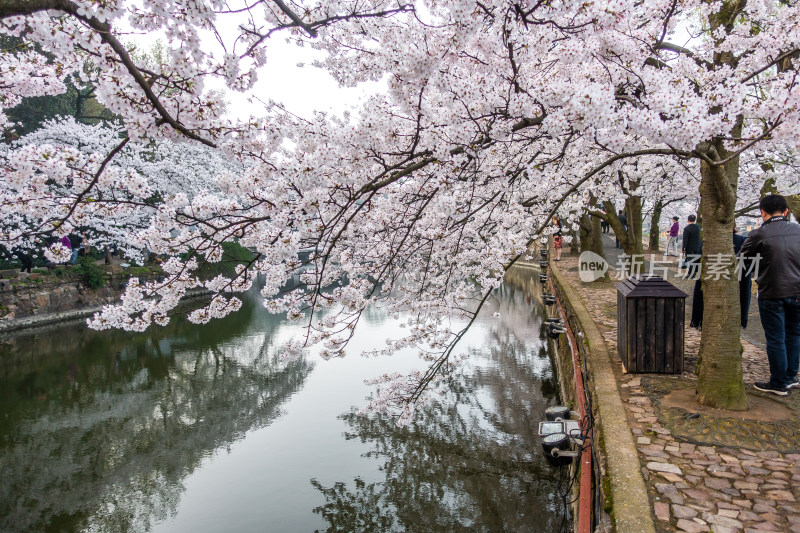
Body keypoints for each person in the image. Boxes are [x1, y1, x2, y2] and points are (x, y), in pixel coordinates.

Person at [740, 194, 800, 396]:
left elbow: (742, 262)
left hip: (772, 292)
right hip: (798, 292)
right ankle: (791, 377)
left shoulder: (759, 233)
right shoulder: (798, 231)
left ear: (762, 212)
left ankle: (778, 383)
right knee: (794, 334)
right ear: (786, 212)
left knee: (776, 338)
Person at [689, 230, 752, 330]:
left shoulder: (708, 241)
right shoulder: (742, 240)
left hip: (711, 286)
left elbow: (697, 261)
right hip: (735, 288)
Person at [681, 214, 701, 279]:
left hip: (690, 247)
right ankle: (691, 273)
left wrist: (683, 248)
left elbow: (685, 240)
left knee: (691, 261)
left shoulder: (687, 228)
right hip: (697, 246)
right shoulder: (698, 227)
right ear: (695, 220)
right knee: (695, 260)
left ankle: (692, 274)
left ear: (688, 220)